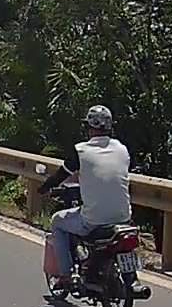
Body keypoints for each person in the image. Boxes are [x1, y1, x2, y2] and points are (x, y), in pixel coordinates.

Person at [39, 105, 132, 288]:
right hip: (124, 218)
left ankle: (66, 275)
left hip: (93, 220)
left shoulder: (81, 151)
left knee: (57, 221)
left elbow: (60, 176)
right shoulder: (122, 149)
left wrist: (44, 188)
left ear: (88, 127)